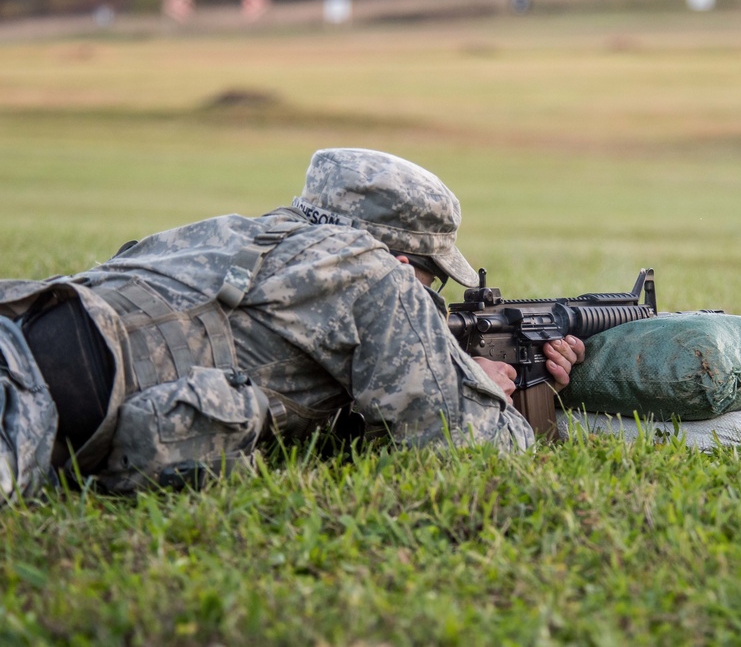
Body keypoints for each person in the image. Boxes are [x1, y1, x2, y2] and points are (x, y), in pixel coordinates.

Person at [0, 148, 584, 499]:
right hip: (45, 399)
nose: (426, 295)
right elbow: (466, 453)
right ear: (405, 260)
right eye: (433, 279)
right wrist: (481, 386)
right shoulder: (376, 272)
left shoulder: (223, 232)